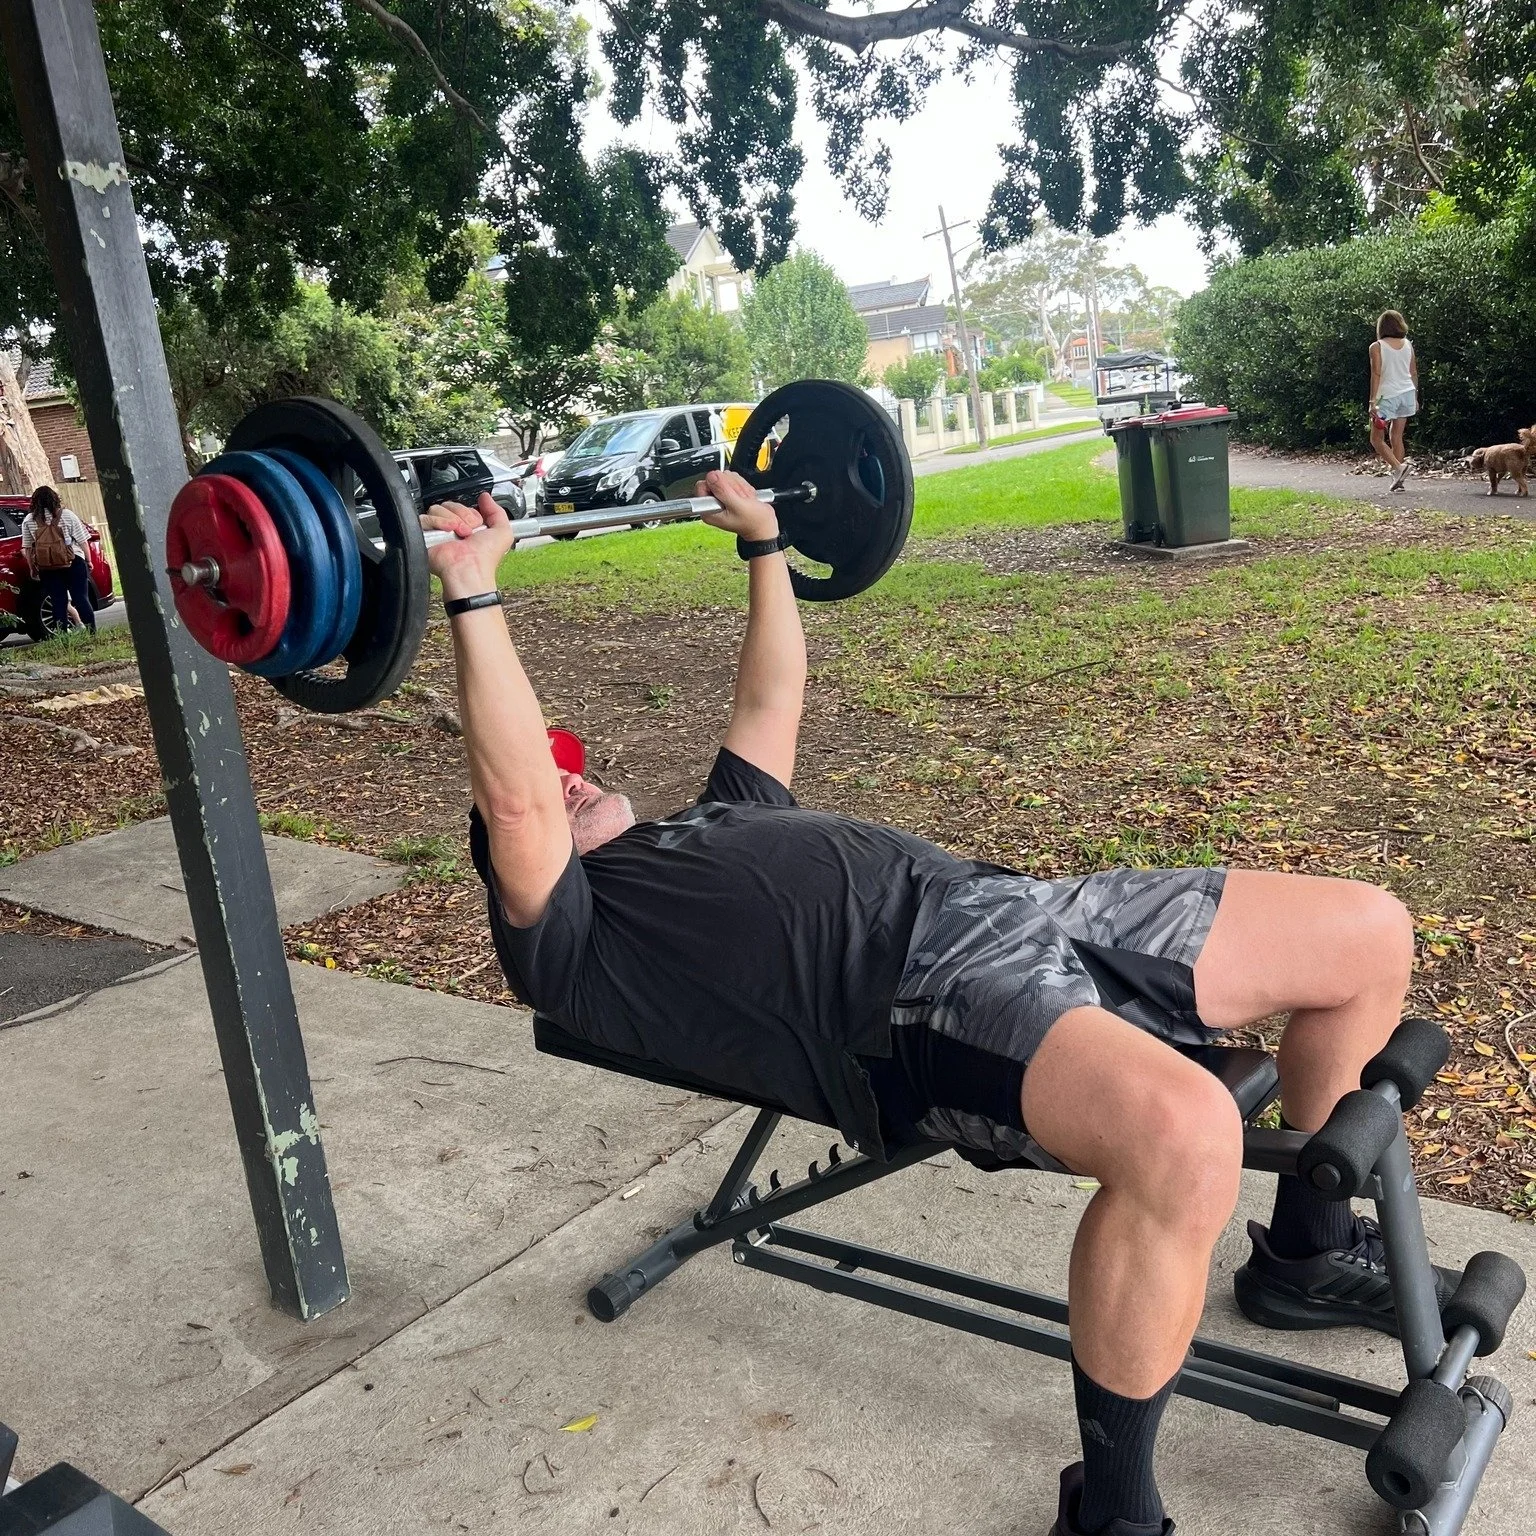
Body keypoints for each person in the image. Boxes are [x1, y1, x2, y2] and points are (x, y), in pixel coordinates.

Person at [425, 479, 1460, 1536]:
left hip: (1024, 904)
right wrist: (472, 594)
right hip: (925, 1004)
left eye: (572, 772)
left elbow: (771, 700)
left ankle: (1306, 1255)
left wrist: (768, 544)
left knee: (1369, 934)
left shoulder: (715, 821)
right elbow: (511, 797)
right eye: (552, 801)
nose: (569, 783)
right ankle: (1112, 1510)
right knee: (1185, 1132)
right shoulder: (578, 942)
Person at [20, 485, 95, 637]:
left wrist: (32, 568)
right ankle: (92, 633)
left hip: (47, 566)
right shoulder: (67, 515)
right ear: (55, 498)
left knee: (58, 600)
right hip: (73, 561)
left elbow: (28, 548)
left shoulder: (29, 520)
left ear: (34, 502)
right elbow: (82, 541)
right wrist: (89, 560)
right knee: (81, 598)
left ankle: (62, 635)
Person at [1367, 310, 1418, 492]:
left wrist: (1373, 400)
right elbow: (1413, 372)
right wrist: (1415, 396)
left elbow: (1377, 373)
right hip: (1407, 393)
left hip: (1386, 396)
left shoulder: (1377, 346)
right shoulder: (1408, 344)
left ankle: (1398, 468)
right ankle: (1398, 481)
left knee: (1376, 439)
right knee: (1396, 436)